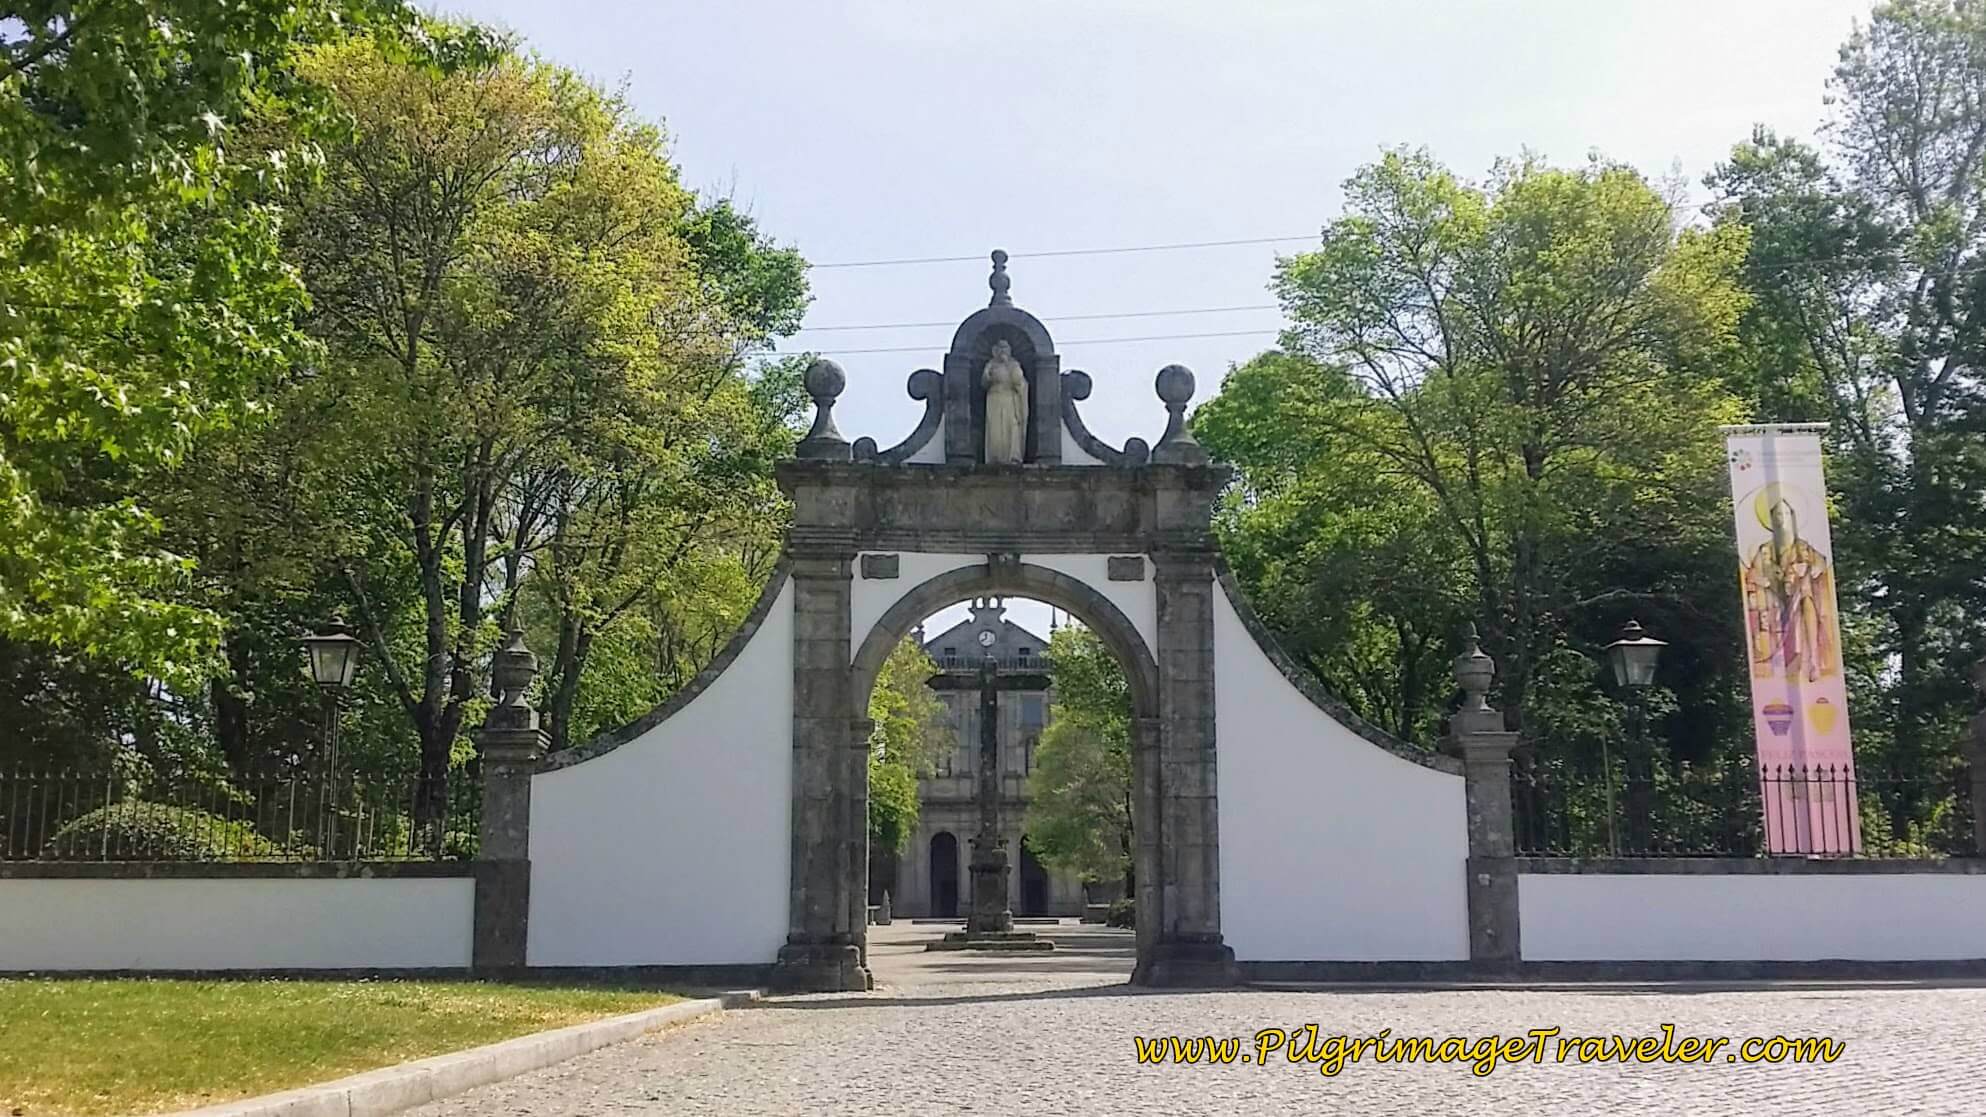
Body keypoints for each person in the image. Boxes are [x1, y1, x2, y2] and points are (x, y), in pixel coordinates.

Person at [983, 339, 1028, 463]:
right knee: (995, 430)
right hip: (994, 400)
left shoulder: (1014, 364)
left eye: (1005, 348)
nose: (1003, 351)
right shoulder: (991, 365)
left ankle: (1013, 455)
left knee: (1012, 427)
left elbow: (1020, 383)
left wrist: (1013, 371)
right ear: (995, 351)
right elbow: (984, 382)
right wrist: (988, 374)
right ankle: (995, 456)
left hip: (1010, 400)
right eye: (1000, 348)